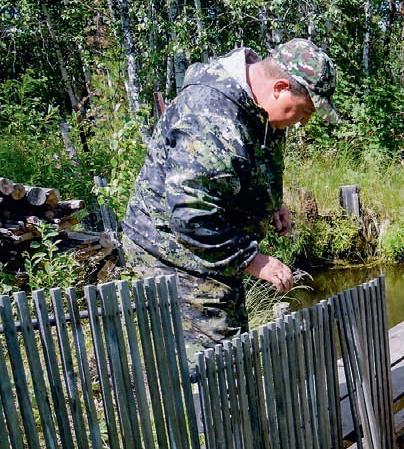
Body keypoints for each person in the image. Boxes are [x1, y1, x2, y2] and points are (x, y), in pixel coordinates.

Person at [122, 38, 340, 354]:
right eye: (305, 110)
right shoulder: (210, 116)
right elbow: (190, 213)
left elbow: (242, 165)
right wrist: (253, 260)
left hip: (213, 243)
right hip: (173, 251)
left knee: (232, 345)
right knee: (217, 356)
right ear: (280, 88)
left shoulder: (258, 106)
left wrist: (270, 203)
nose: (305, 121)